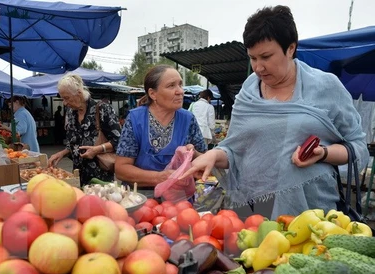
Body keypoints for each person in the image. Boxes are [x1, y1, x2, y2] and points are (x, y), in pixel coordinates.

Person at [180, 5, 369, 219]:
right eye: (253, 58)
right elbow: (236, 151)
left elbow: (357, 146)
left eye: (266, 56)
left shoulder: (326, 86)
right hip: (251, 207)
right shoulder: (248, 91)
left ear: (290, 48)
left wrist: (323, 154)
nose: (258, 67)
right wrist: (213, 155)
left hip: (310, 211)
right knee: (247, 251)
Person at [115, 65, 207, 190]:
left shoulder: (188, 119)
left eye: (180, 85)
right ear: (153, 94)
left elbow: (204, 160)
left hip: (178, 199)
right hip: (139, 198)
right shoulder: (135, 119)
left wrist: (193, 154)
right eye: (171, 86)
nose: (180, 91)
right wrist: (159, 177)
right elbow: (121, 169)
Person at [48, 74, 121, 186]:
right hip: (78, 175)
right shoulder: (71, 112)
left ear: (79, 94)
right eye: (62, 98)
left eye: (66, 98)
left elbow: (119, 141)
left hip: (100, 176)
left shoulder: (102, 109)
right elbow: (74, 142)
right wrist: (62, 153)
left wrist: (96, 149)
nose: (64, 103)